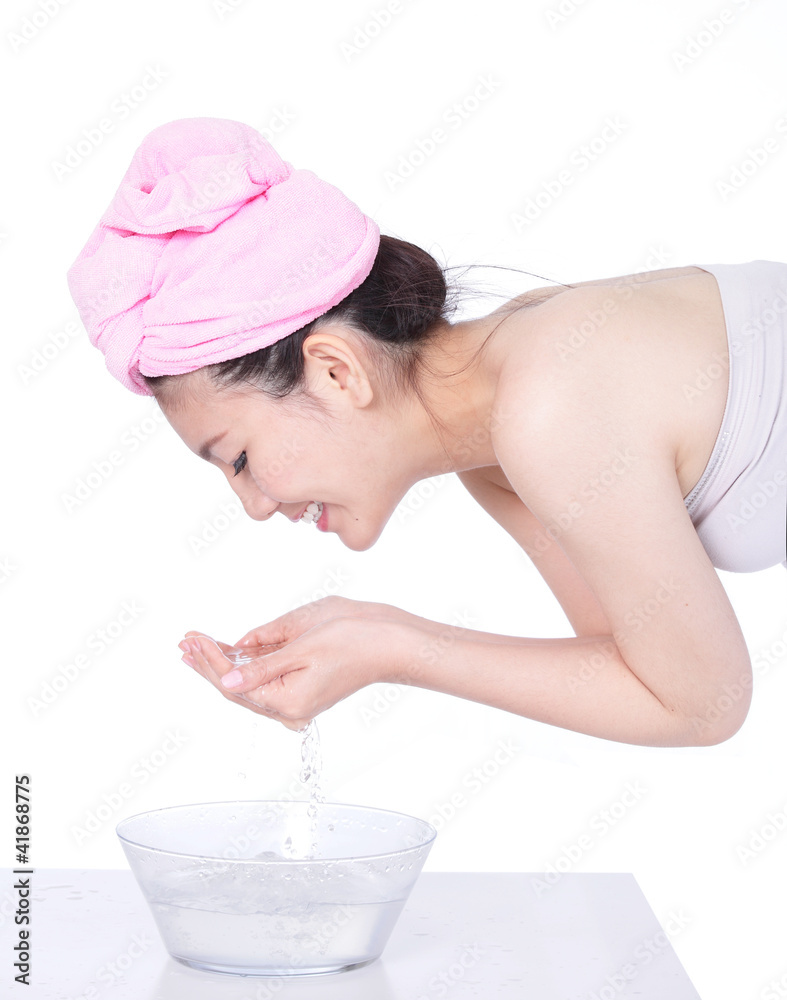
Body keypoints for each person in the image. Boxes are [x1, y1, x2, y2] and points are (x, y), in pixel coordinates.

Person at [67, 116, 787, 748]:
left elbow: (700, 704)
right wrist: (369, 638)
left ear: (336, 372)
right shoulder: (497, 441)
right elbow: (636, 666)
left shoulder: (549, 405)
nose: (254, 505)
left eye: (241, 458)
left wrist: (395, 648)